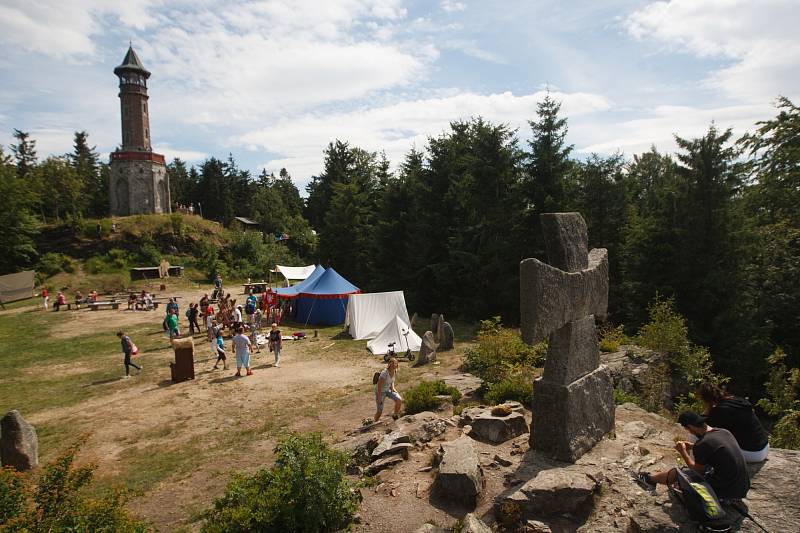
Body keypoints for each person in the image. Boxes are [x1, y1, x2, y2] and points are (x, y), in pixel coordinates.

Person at [637, 412, 750, 501]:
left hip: (726, 492)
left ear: (691, 426)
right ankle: (652, 479)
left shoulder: (703, 444)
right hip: (742, 488)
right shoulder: (723, 432)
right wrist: (693, 446)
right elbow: (716, 449)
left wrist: (683, 452)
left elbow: (696, 469)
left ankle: (650, 480)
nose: (689, 432)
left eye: (687, 429)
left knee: (681, 473)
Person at [696, 382, 769, 462]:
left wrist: (708, 408)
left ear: (706, 400)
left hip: (753, 454)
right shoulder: (739, 401)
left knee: (695, 433)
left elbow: (699, 424)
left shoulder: (719, 411)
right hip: (764, 447)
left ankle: (698, 467)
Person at [374, 358, 403, 422]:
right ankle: (374, 423)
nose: (393, 365)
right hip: (380, 391)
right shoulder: (385, 373)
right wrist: (379, 397)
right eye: (392, 364)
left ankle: (395, 415)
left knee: (399, 400)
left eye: (395, 364)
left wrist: (393, 388)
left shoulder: (395, 371)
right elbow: (379, 385)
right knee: (379, 411)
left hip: (388, 390)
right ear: (389, 364)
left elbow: (392, 381)